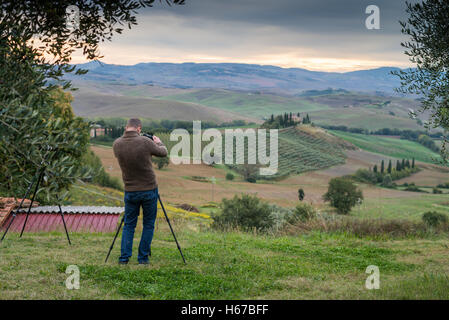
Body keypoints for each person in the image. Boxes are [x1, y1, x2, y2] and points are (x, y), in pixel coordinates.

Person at [112, 118, 168, 265]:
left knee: (129, 224)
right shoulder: (145, 141)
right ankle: (143, 258)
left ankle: (124, 258)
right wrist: (158, 142)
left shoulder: (117, 144)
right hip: (149, 189)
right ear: (138, 128)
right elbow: (163, 153)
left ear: (126, 127)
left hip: (130, 190)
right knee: (149, 224)